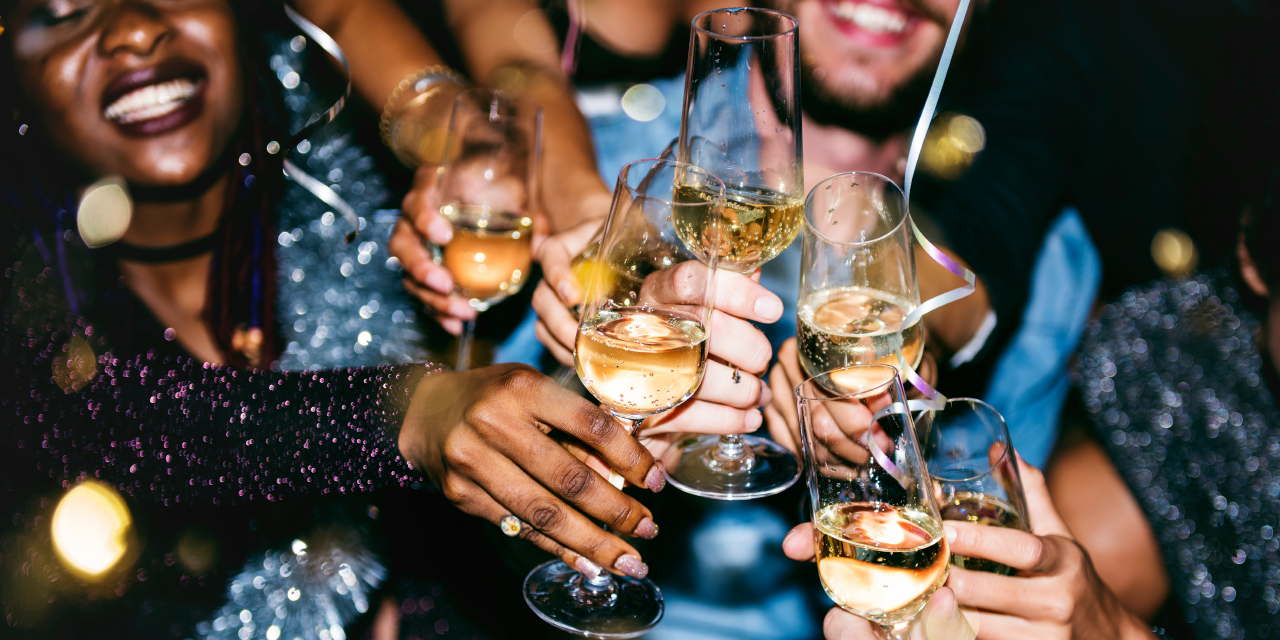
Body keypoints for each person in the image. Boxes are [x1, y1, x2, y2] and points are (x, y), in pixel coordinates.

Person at [0, 0, 676, 635]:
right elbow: (121, 420)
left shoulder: (363, 211)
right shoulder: (26, 302)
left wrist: (574, 219)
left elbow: (487, 80)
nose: (133, 30)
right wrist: (407, 410)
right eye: (66, 11)